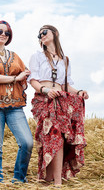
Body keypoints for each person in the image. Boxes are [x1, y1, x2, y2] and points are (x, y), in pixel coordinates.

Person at [28, 24, 89, 186]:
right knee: (52, 136)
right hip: (44, 100)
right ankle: (57, 182)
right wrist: (45, 90)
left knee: (59, 138)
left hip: (61, 101)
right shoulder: (37, 56)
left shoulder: (65, 60)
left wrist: (80, 92)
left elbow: (65, 85)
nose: (41, 36)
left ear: (54, 33)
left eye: (44, 32)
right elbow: (33, 80)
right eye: (39, 35)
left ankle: (52, 179)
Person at [0, 20, 33, 183]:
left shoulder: (15, 56)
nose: (3, 34)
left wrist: (25, 74)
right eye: (0, 31)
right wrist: (15, 78)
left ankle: (19, 179)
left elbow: (26, 73)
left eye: (7, 33)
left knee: (27, 143)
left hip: (15, 106)